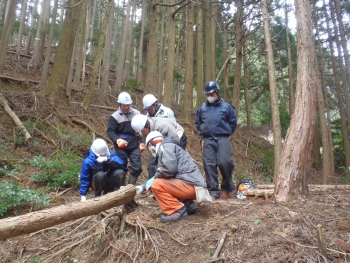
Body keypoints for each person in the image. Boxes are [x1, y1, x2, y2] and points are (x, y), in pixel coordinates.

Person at [135, 131, 207, 223]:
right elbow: (168, 172)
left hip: (192, 186)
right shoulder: (169, 147)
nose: (150, 152)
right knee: (158, 183)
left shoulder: (166, 147)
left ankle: (177, 211)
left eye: (149, 148)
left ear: (152, 144)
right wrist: (145, 186)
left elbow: (169, 169)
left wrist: (149, 184)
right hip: (193, 185)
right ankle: (187, 205)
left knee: (157, 185)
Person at [195, 81, 237, 200]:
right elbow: (198, 123)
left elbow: (233, 122)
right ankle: (213, 191)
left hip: (222, 138)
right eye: (208, 94)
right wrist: (204, 130)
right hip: (207, 139)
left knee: (225, 162)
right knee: (209, 165)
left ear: (217, 93)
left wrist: (227, 131)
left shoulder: (226, 107)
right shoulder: (202, 108)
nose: (210, 96)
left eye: (212, 93)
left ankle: (226, 187)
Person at [131, 114, 187, 178]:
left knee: (172, 162)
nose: (141, 134)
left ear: (147, 126)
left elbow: (174, 138)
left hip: (177, 136)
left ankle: (177, 180)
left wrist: (173, 153)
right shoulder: (145, 129)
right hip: (161, 141)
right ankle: (152, 184)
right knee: (152, 164)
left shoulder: (162, 126)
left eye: (141, 131)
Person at [106, 92, 142, 185]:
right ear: (119, 104)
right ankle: (121, 189)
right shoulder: (115, 116)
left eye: (128, 105)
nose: (126, 107)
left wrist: (142, 142)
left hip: (134, 144)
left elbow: (142, 129)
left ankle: (129, 187)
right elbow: (110, 131)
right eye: (124, 105)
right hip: (121, 145)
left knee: (137, 168)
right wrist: (117, 140)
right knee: (121, 167)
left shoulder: (137, 114)